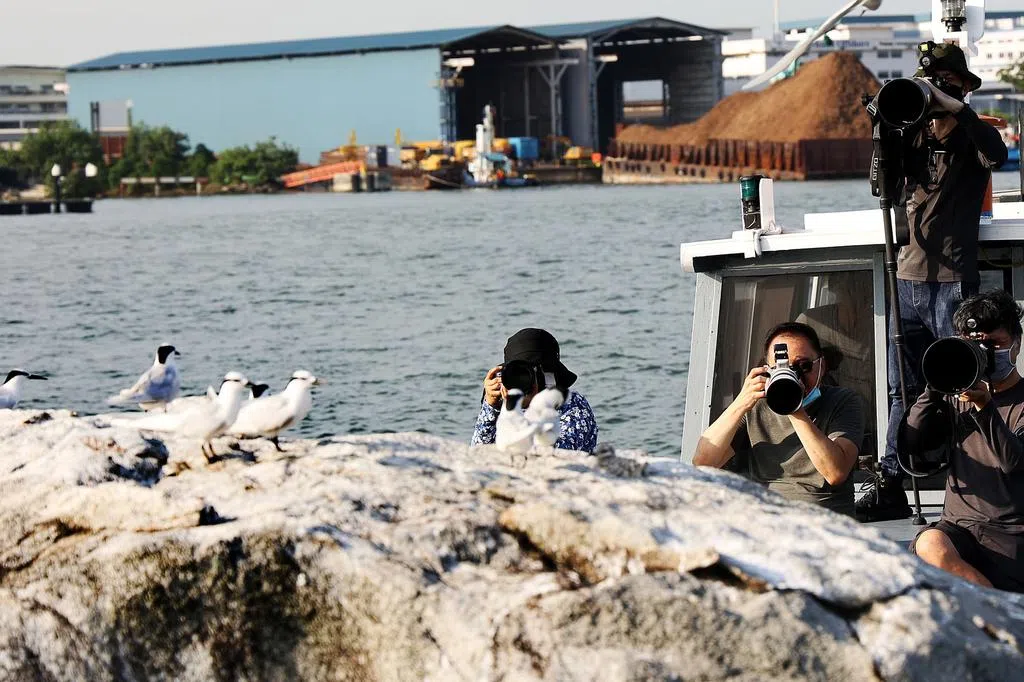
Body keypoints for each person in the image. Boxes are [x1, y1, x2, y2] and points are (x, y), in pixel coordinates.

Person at [859, 41, 1009, 522]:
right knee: (901, 389)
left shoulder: (972, 134)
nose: (937, 92)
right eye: (933, 83)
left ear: (964, 88)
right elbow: (882, 187)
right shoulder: (912, 136)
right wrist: (885, 127)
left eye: (947, 83)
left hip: (952, 282)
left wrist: (955, 109)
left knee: (964, 383)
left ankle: (975, 483)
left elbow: (998, 155)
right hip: (906, 277)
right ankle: (891, 479)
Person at [903, 290, 1024, 592]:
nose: (985, 353)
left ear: (1017, 343)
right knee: (929, 543)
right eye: (975, 345)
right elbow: (912, 445)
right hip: (958, 529)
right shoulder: (954, 397)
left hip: (1010, 536)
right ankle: (997, 609)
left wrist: (985, 407)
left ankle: (998, 611)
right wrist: (935, 385)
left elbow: (1014, 463)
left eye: (993, 344)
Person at [694, 322, 864, 516]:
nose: (793, 374)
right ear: (767, 370)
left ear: (822, 366)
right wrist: (741, 403)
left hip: (823, 521)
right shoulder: (755, 408)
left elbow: (835, 472)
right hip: (767, 518)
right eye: (781, 368)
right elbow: (703, 463)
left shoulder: (843, 401)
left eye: (803, 366)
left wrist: (793, 407)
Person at [471, 328, 598, 452]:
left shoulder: (572, 404)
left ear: (548, 374)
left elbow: (553, 453)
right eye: (517, 374)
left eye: (528, 373)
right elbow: (479, 453)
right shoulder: (506, 404)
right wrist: (491, 407)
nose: (522, 380)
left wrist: (532, 405)